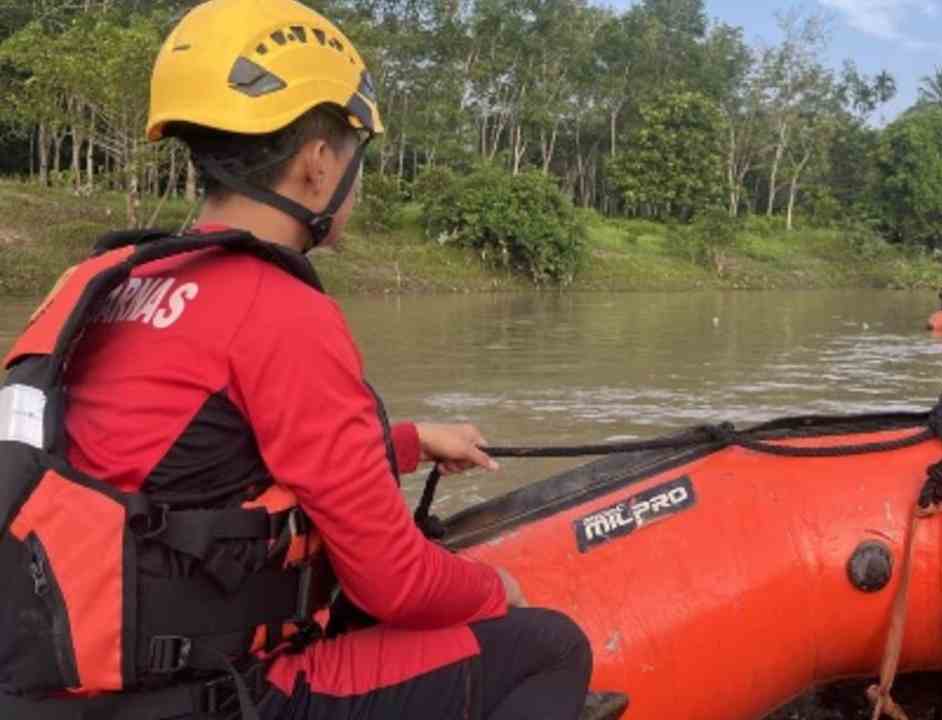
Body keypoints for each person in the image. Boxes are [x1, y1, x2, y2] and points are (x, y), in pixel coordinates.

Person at [0, 1, 602, 719]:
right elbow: (394, 583)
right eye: (354, 155)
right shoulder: (277, 309)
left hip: (52, 682)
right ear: (318, 166)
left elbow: (175, 463)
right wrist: (493, 590)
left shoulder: (100, 280)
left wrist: (404, 443)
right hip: (213, 697)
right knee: (551, 646)